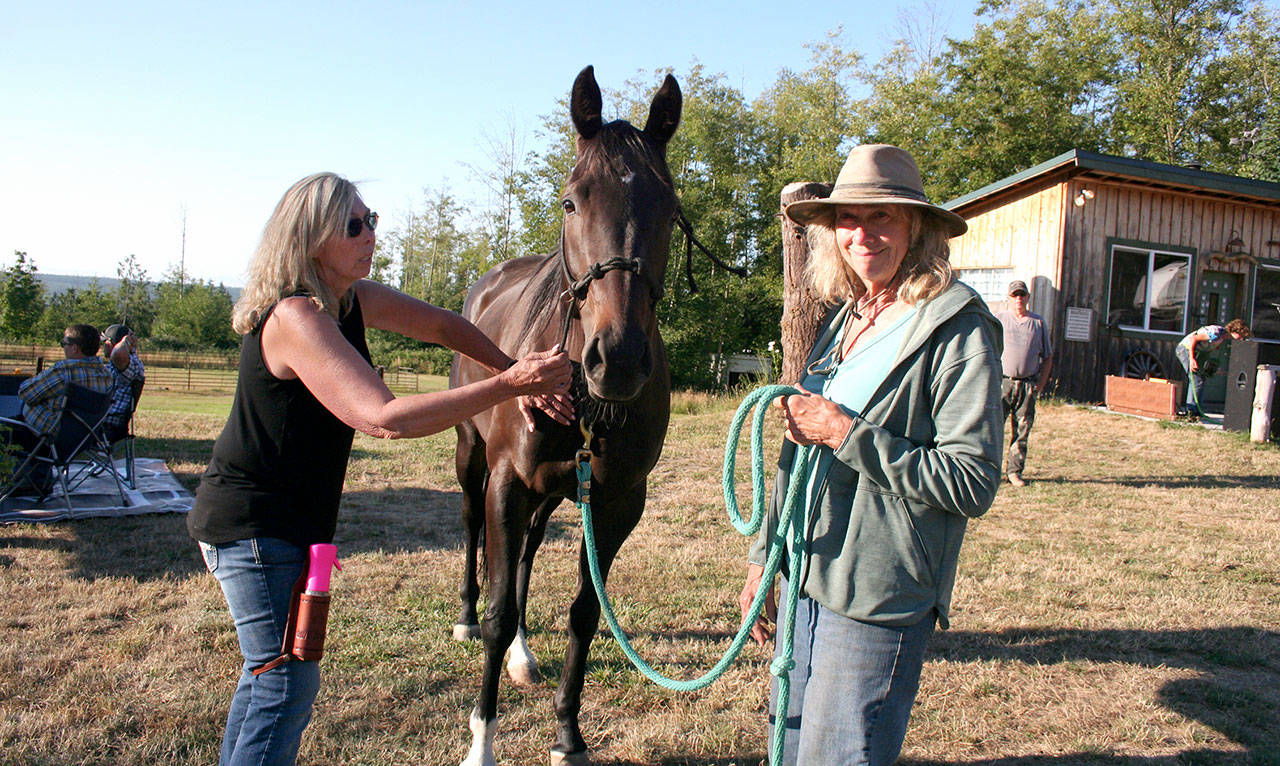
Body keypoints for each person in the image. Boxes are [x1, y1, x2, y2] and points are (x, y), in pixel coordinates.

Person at [186, 172, 573, 766]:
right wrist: (507, 383)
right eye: (355, 226)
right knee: (284, 682)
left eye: (373, 221)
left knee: (271, 677)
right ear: (313, 238)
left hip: (289, 526)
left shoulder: (349, 300)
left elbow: (445, 326)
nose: (371, 235)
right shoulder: (296, 316)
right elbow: (384, 418)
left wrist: (511, 370)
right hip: (254, 528)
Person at [736, 145, 1003, 765]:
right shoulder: (849, 316)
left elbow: (971, 481)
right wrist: (763, 557)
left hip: (879, 587)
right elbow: (795, 451)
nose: (863, 234)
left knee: (838, 755)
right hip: (807, 567)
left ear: (918, 227)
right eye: (849, 219)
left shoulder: (957, 328)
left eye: (882, 217)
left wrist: (844, 432)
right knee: (795, 744)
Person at [995, 280, 1052, 487]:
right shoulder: (999, 320)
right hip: (1002, 383)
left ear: (1028, 298)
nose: (1018, 299)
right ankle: (991, 472)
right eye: (1014, 295)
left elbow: (1047, 357)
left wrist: (1040, 385)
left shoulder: (1038, 323)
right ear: (1008, 298)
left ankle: (1014, 472)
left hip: (1027, 385)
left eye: (1022, 295)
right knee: (993, 430)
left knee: (1022, 430)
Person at [1175, 318, 1250, 417]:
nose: (1241, 339)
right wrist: (1192, 359)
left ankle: (1197, 411)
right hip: (1185, 349)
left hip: (1197, 353)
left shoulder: (1221, 339)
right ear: (1234, 331)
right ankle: (1191, 411)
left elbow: (1206, 352)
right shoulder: (1216, 333)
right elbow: (1194, 338)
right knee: (1195, 379)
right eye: (1240, 336)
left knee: (1201, 379)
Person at [99, 323, 145, 441]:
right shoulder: (124, 363)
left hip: (105, 424)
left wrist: (125, 341)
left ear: (110, 343)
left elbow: (119, 355)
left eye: (105, 343)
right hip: (104, 420)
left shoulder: (128, 362)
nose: (103, 346)